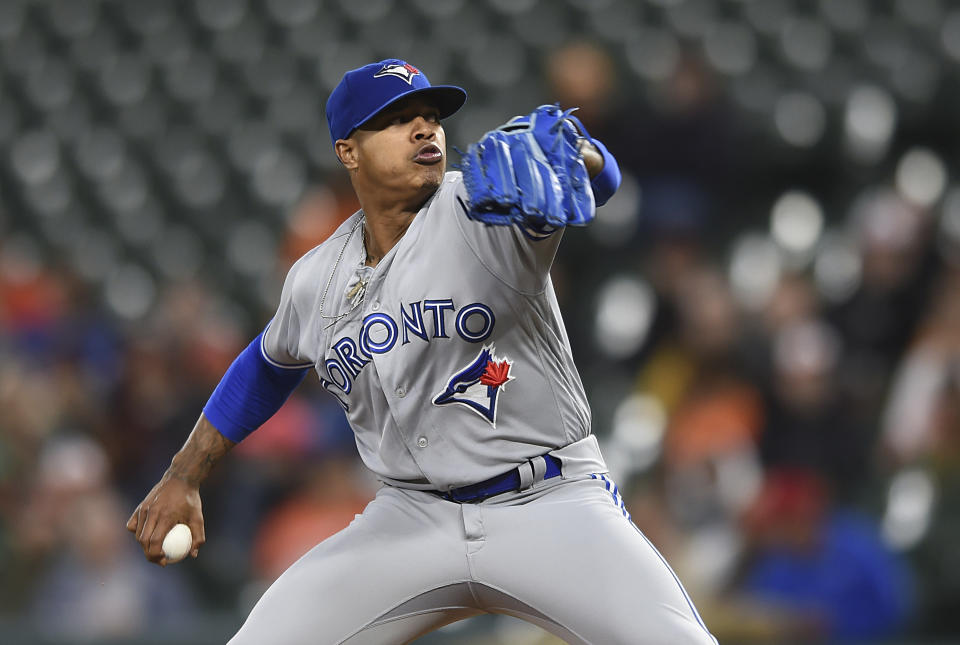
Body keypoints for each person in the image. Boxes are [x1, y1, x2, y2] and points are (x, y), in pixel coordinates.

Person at [127, 58, 717, 645]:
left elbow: (598, 179)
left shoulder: (484, 208)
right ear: (348, 151)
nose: (424, 129)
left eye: (430, 116)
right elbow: (266, 363)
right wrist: (185, 475)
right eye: (397, 119)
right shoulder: (316, 279)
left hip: (548, 501)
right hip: (411, 518)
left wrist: (578, 153)